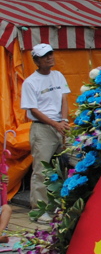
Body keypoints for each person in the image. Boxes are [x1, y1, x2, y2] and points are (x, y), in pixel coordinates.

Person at [20, 43, 70, 222]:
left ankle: (60, 205)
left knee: (63, 165)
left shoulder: (58, 75)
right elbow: (33, 110)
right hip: (42, 128)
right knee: (41, 169)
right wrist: (55, 125)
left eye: (50, 54)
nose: (50, 57)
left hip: (60, 125)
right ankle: (39, 210)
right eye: (45, 56)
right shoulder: (30, 82)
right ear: (36, 61)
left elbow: (64, 98)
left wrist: (63, 121)